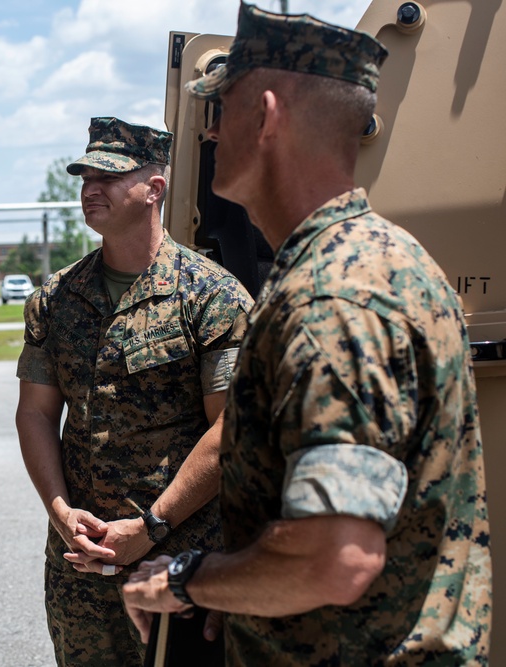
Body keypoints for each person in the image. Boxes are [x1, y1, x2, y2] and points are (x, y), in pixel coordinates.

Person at [121, 4, 492, 665]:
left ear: (265, 116)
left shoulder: (334, 298)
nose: (210, 134)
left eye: (220, 109)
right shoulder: (377, 256)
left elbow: (334, 558)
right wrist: (238, 589)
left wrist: (184, 579)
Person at [15, 116, 253, 666]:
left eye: (110, 175)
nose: (90, 189)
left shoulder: (211, 297)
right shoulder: (55, 298)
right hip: (81, 564)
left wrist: (151, 528)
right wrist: (60, 512)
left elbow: (230, 432)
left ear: (155, 188)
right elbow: (35, 413)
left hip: (178, 562)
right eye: (84, 177)